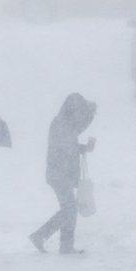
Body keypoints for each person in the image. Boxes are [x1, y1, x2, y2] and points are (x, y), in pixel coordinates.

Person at [29, 93, 97, 254]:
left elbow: (72, 140)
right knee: (70, 209)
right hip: (59, 174)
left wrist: (90, 116)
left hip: (62, 173)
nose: (79, 112)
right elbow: (65, 147)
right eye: (79, 109)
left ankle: (62, 244)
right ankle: (43, 237)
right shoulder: (61, 123)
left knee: (70, 209)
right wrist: (82, 147)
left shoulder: (67, 123)